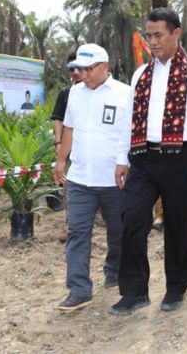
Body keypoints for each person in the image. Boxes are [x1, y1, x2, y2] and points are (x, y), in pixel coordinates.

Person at [111, 8, 187, 315]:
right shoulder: (140, 75)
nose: (153, 42)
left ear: (176, 33)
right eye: (149, 35)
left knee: (178, 223)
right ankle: (134, 291)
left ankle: (176, 287)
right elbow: (129, 120)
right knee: (131, 218)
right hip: (143, 157)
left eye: (159, 35)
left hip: (180, 157)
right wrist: (122, 159)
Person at [53, 43, 131, 311]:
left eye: (87, 69)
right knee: (77, 233)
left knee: (118, 231)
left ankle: (114, 270)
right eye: (78, 69)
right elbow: (69, 130)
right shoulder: (74, 94)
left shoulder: (125, 94)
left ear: (103, 67)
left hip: (113, 178)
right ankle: (79, 289)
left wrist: (125, 163)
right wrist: (61, 160)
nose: (82, 75)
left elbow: (130, 135)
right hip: (80, 179)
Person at [50, 50, 84, 240]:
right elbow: (58, 120)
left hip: (93, 149)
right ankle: (71, 225)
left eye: (79, 68)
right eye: (72, 69)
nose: (76, 72)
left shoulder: (97, 91)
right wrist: (58, 142)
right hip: (70, 149)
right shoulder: (66, 94)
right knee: (70, 188)